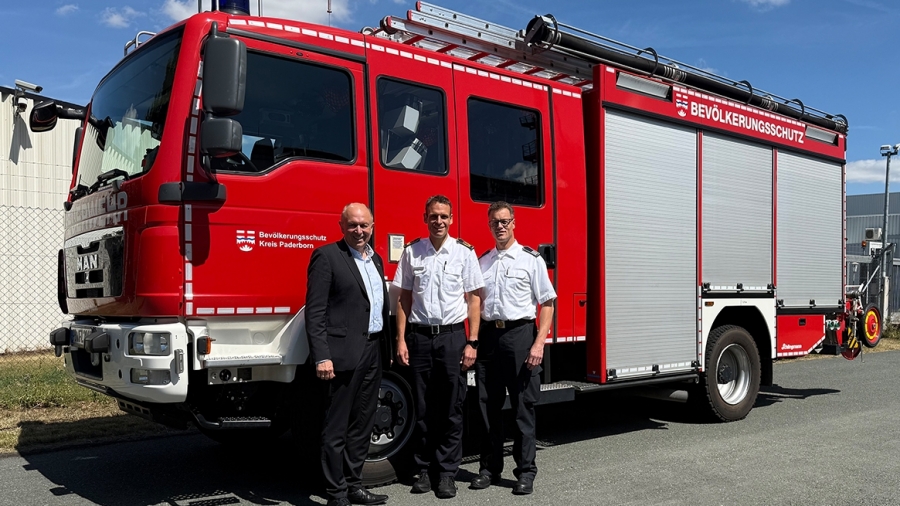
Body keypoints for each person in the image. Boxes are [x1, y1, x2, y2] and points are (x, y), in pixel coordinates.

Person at [393, 195, 484, 499]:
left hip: (452, 338)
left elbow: (474, 299)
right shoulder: (412, 252)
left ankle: (446, 473)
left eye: (444, 216)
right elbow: (404, 298)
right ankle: (422, 469)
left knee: (451, 407)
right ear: (425, 218)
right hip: (419, 338)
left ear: (452, 219)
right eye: (433, 216)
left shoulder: (464, 253)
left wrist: (472, 341)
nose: (439, 221)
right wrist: (401, 338)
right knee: (421, 407)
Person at [306, 203, 391, 506]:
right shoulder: (327, 256)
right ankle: (336, 493)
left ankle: (354, 485)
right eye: (353, 225)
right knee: (336, 427)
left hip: (373, 349)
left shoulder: (376, 259)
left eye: (364, 225)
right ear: (341, 226)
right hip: (342, 354)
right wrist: (322, 356)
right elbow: (315, 312)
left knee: (363, 423)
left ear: (372, 227)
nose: (359, 231)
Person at [470, 201, 556, 496]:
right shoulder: (482, 262)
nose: (500, 226)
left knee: (522, 407)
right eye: (494, 222)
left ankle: (525, 472)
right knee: (487, 406)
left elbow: (547, 303)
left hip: (520, 336)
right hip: (489, 338)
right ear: (489, 225)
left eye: (504, 221)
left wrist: (538, 343)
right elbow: (475, 303)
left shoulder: (531, 260)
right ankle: (489, 469)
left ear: (514, 223)